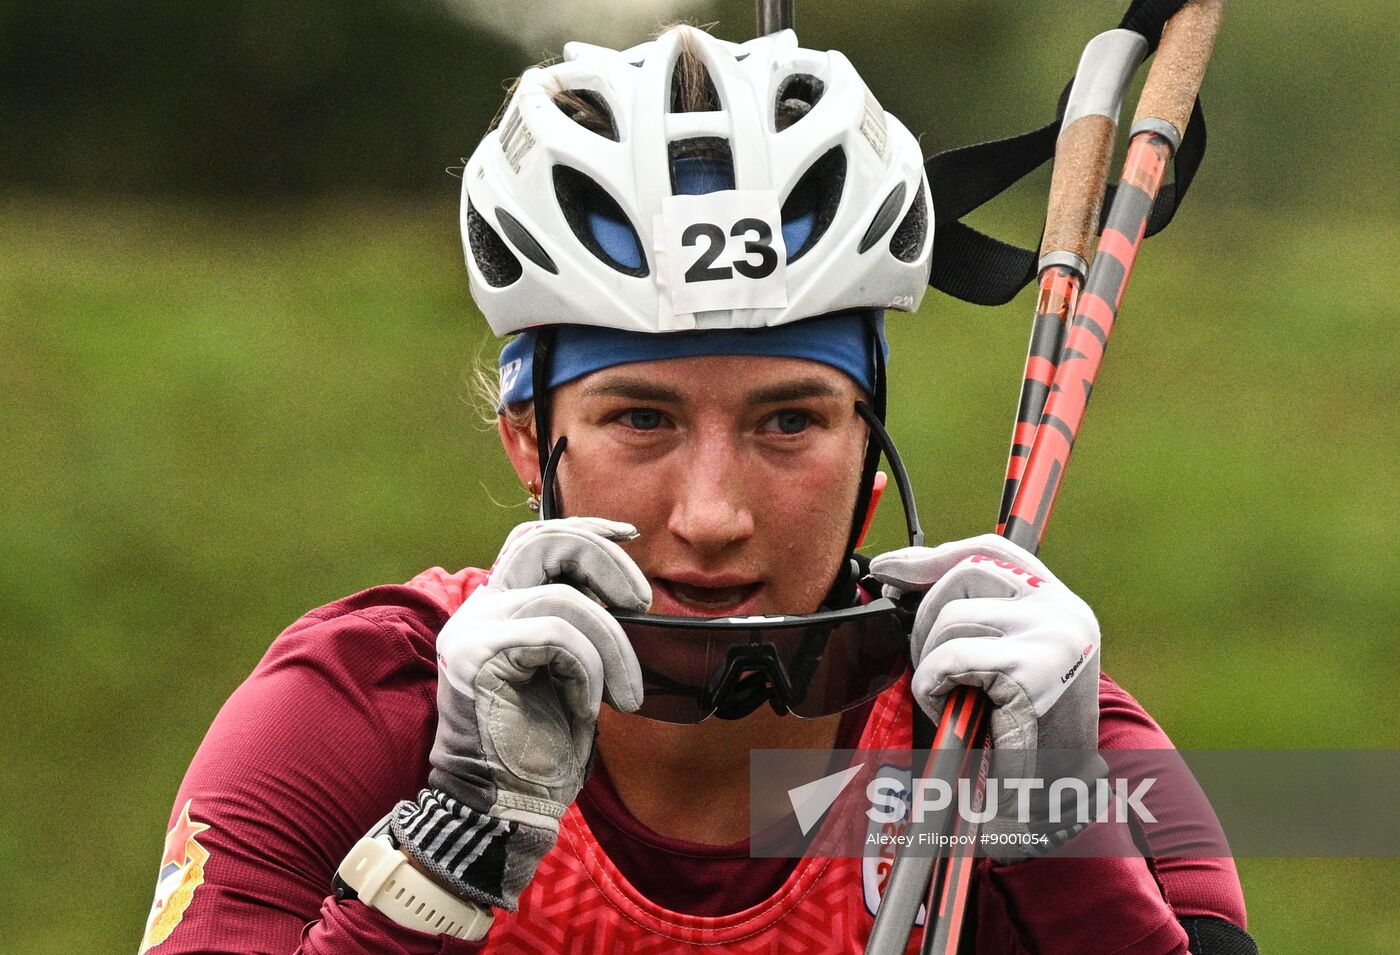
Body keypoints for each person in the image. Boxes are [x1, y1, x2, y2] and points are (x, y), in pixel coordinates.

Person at [140, 25, 1256, 954]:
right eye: (640, 419)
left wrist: (1063, 845)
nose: (712, 514)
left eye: (786, 423)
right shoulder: (359, 707)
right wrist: (452, 844)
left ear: (869, 450)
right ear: (531, 442)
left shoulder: (1033, 725)